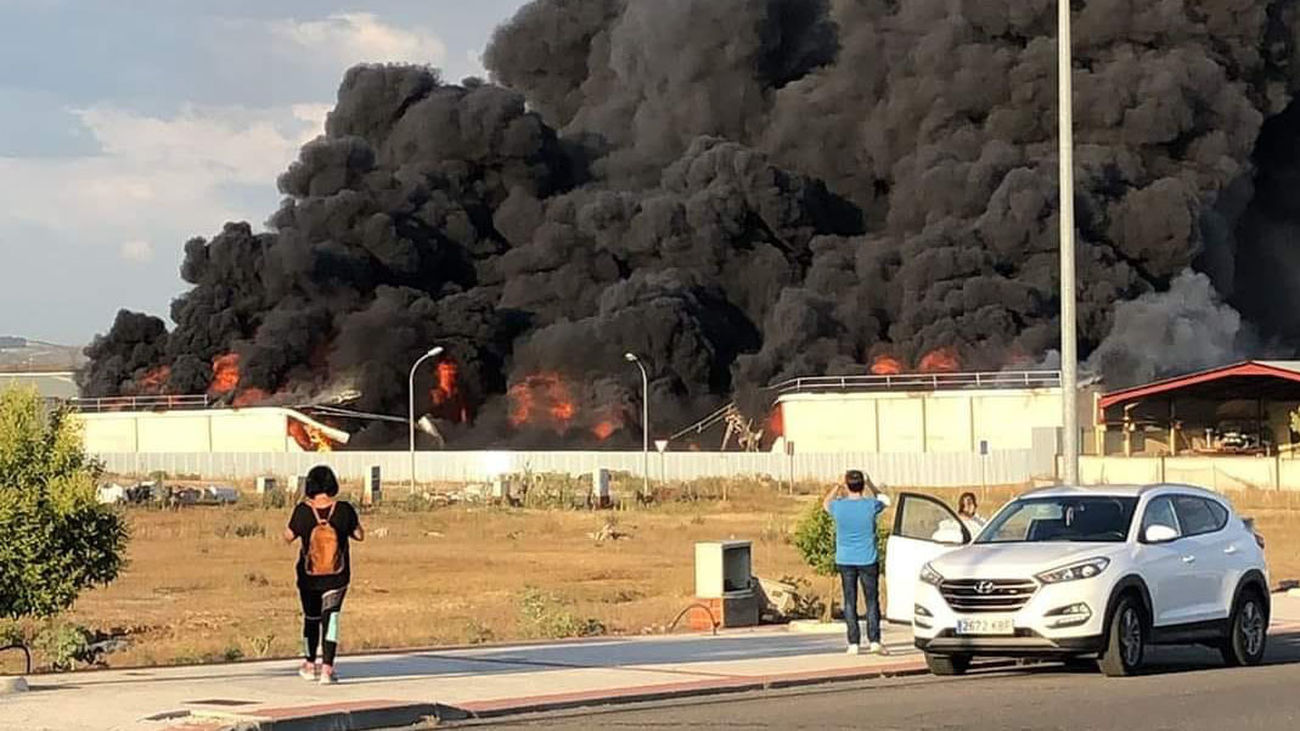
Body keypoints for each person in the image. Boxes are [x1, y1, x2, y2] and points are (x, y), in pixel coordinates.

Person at [283, 465, 364, 684]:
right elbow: (359, 535)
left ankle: (309, 665)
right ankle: (327, 669)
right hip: (337, 577)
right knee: (332, 620)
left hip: (309, 577)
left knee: (311, 620)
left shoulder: (302, 510)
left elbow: (288, 536)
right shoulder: (344, 509)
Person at [823, 469, 890, 656]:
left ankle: (853, 642)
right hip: (868, 558)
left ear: (847, 485)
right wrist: (871, 484)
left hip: (845, 559)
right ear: (861, 485)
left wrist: (837, 485)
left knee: (850, 601)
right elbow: (886, 500)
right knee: (871, 601)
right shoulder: (871, 505)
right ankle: (874, 641)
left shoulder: (839, 506)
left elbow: (825, 503)